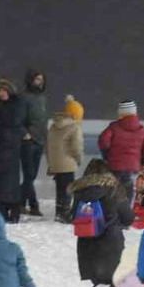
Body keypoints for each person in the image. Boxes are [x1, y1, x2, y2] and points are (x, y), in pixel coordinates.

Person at [72, 159, 135, 287]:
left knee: (100, 284)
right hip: (110, 243)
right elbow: (128, 217)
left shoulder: (80, 191)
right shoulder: (114, 189)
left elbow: (72, 216)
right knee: (117, 285)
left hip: (87, 244)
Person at [0, 79, 28, 223]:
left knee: (11, 180)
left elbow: (15, 120)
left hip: (11, 145)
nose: (1, 93)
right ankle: (3, 210)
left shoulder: (17, 103)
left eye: (4, 90)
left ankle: (14, 210)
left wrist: (1, 119)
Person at [98, 99, 144, 195]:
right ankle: (128, 204)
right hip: (133, 166)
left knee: (113, 192)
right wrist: (142, 160)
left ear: (121, 113)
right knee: (129, 192)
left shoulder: (113, 127)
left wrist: (107, 155)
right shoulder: (141, 129)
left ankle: (114, 204)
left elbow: (103, 142)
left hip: (115, 166)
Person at [46, 95, 85, 223]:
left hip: (55, 162)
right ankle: (65, 213)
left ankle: (59, 212)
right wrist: (79, 159)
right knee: (68, 188)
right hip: (68, 163)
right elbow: (76, 146)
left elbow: (48, 145)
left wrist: (50, 162)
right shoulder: (74, 127)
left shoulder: (53, 125)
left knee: (60, 188)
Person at [19, 68, 49, 217]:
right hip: (28, 141)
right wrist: (25, 133)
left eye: (41, 80)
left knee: (31, 175)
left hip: (40, 140)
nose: (39, 82)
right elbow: (18, 118)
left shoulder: (42, 98)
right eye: (37, 79)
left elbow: (42, 119)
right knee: (29, 175)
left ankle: (20, 203)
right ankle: (33, 205)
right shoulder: (24, 98)